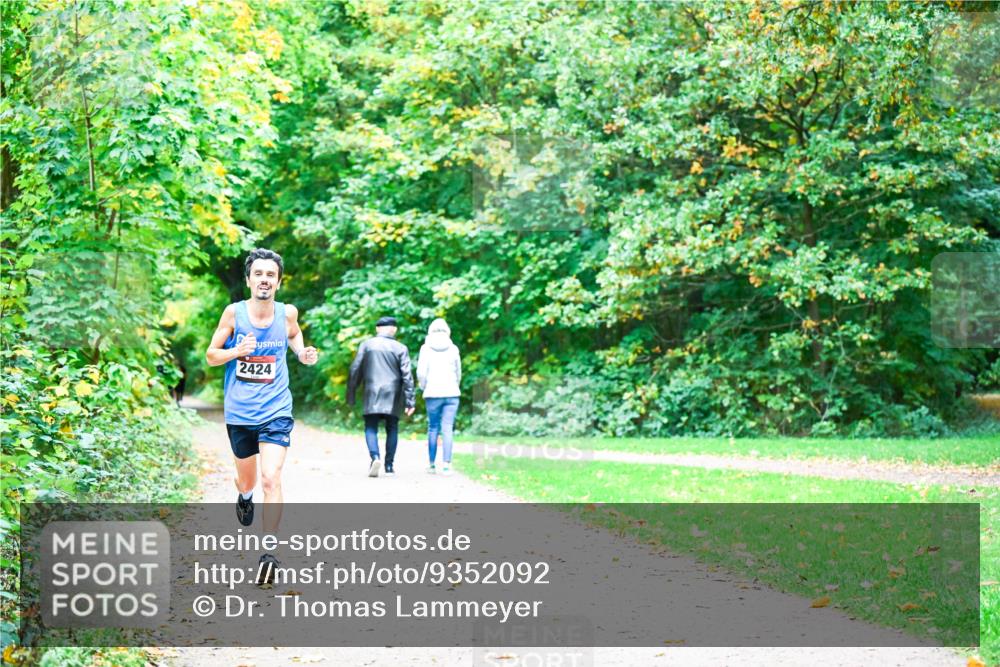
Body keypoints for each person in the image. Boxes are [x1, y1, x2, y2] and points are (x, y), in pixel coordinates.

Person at [206, 248, 318, 585]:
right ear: (249, 280)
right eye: (259, 274)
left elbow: (294, 335)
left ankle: (269, 552)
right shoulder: (233, 313)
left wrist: (301, 352)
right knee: (249, 481)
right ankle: (244, 497)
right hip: (240, 412)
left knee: (271, 477)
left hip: (276, 409)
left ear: (278, 282)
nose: (265, 279)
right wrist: (236, 351)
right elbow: (211, 356)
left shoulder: (287, 314)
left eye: (271, 274)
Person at [346, 316, 415, 477]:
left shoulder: (366, 345)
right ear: (394, 329)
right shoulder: (401, 348)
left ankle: (375, 457)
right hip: (393, 393)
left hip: (371, 391)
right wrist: (410, 401)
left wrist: (351, 393)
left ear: (377, 329)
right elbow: (407, 376)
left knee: (370, 427)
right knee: (392, 428)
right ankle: (389, 466)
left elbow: (355, 369)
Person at [416, 318, 461, 475]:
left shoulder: (425, 349)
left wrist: (424, 386)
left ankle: (432, 464)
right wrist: (455, 385)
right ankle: (447, 465)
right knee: (447, 428)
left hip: (433, 393)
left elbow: (421, 373)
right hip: (452, 393)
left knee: (433, 427)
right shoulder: (453, 348)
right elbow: (458, 371)